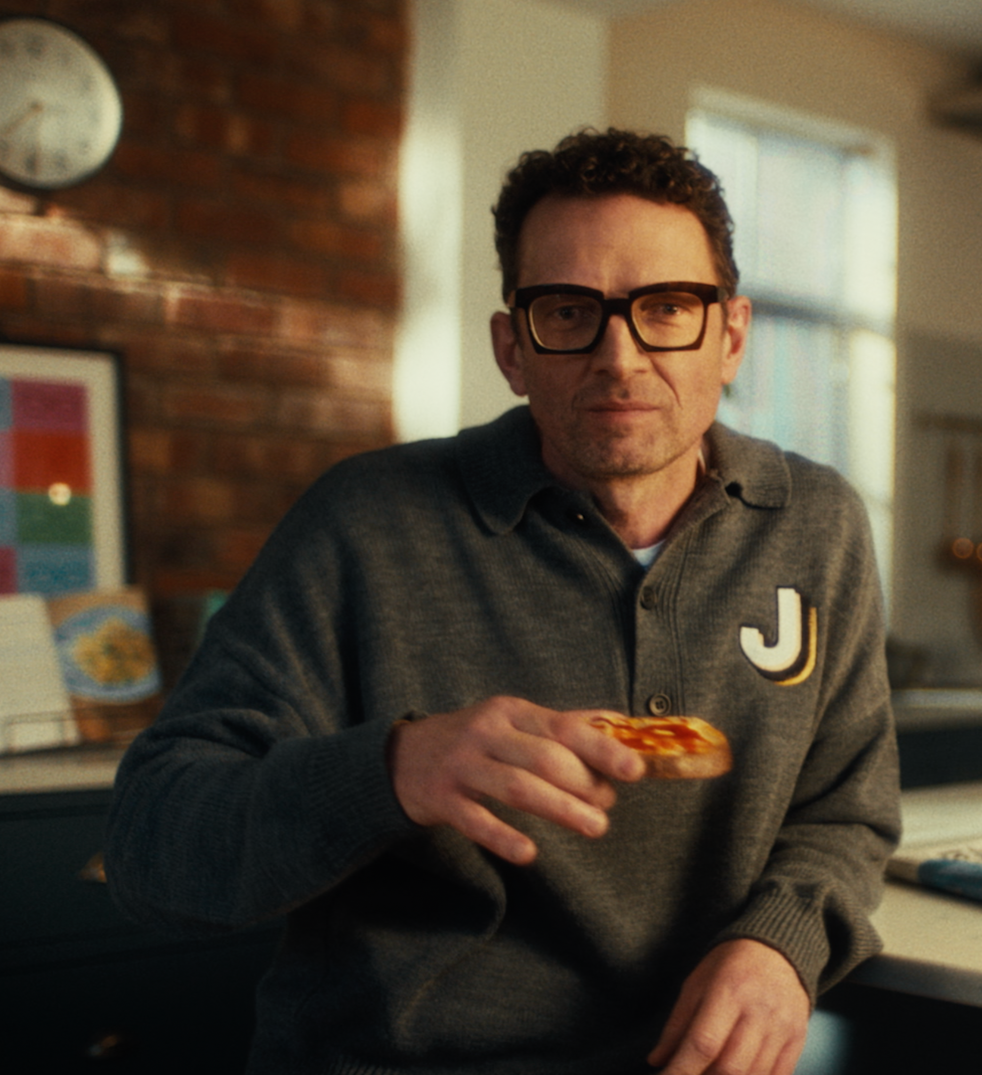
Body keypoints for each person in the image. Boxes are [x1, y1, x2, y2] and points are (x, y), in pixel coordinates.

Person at [105, 127, 903, 1075]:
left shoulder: (815, 524)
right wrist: (392, 768)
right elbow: (153, 848)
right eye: (568, 312)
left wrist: (781, 944)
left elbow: (845, 812)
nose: (619, 355)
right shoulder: (364, 524)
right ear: (511, 348)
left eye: (667, 308)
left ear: (730, 335)